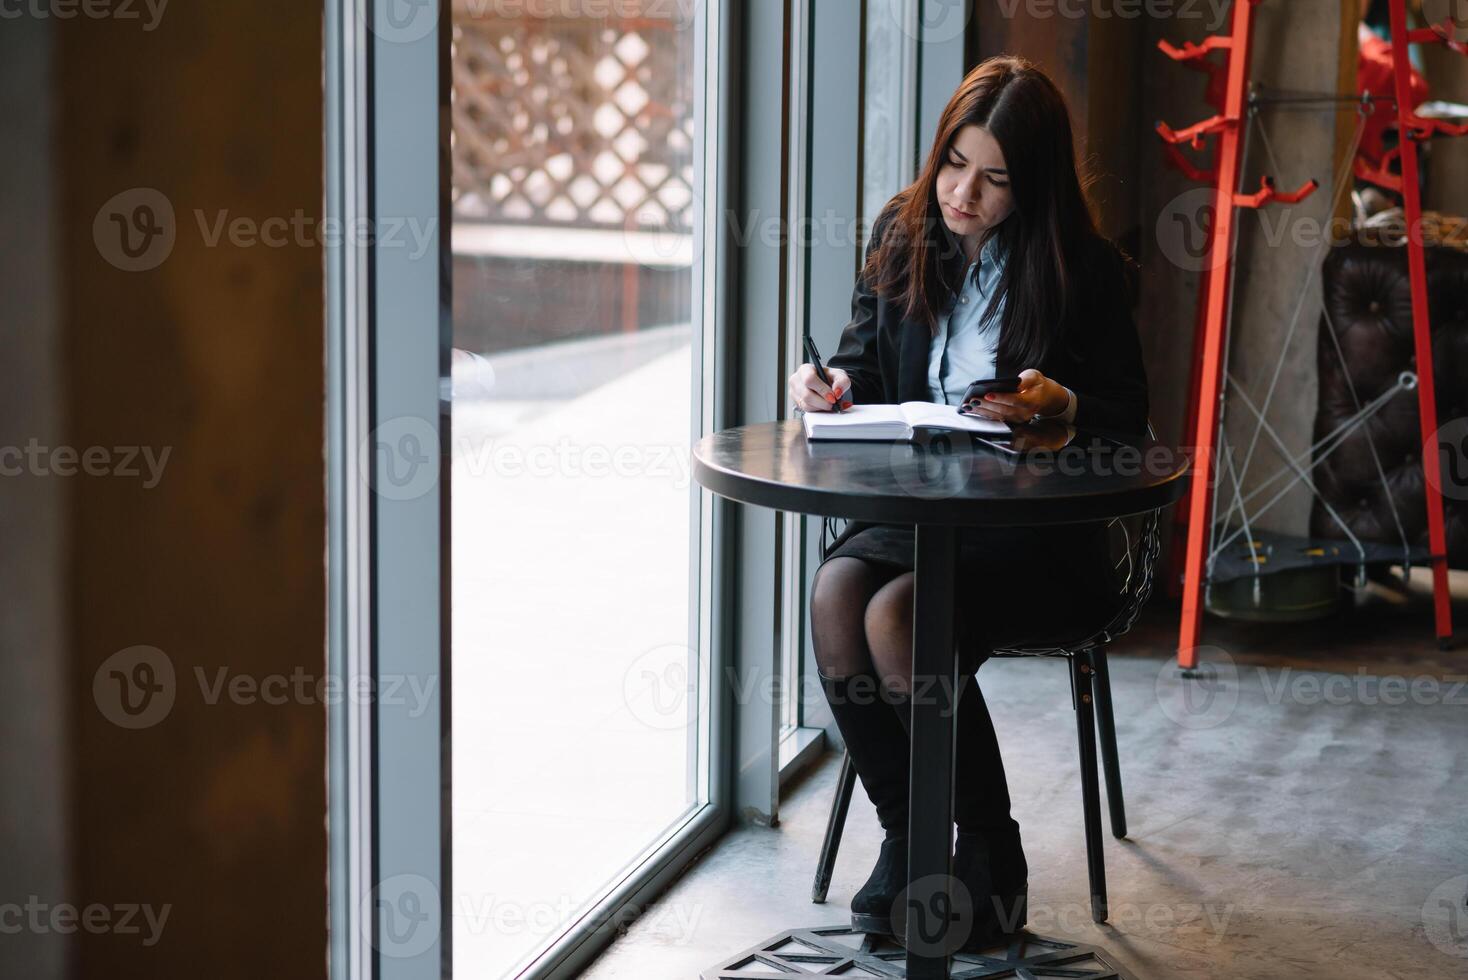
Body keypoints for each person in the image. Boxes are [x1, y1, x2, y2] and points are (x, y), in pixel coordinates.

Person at [785, 55, 1149, 948]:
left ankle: (991, 851)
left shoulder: (1083, 269)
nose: (963, 194)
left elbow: (1130, 427)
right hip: (921, 519)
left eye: (994, 179)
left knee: (900, 616)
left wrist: (1062, 406)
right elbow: (865, 365)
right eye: (954, 163)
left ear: (1035, 185)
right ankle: (913, 842)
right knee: (836, 596)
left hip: (1037, 543)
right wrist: (826, 387)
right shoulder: (901, 234)